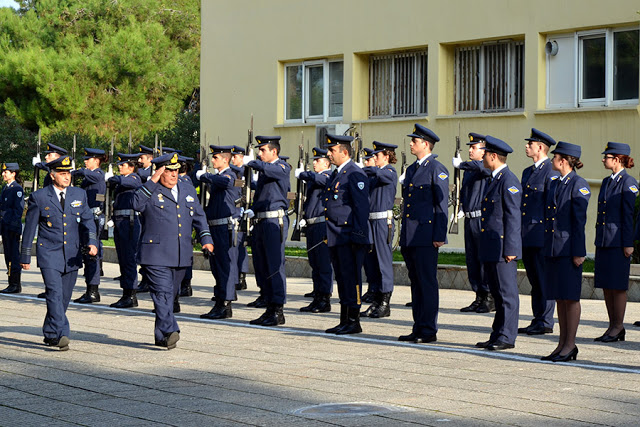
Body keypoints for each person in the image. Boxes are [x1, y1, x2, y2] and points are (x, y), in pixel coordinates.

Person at [132, 152, 213, 349]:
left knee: (169, 296)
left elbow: (199, 217)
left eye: (176, 170)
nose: (174, 175)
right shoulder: (150, 188)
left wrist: (206, 238)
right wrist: (152, 180)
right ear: (160, 171)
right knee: (162, 294)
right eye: (169, 171)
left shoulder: (187, 188)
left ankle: (162, 337)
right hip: (156, 254)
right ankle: (170, 328)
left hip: (180, 254)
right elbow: (136, 204)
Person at [20, 155, 98, 351]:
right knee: (54, 294)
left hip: (71, 255)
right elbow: (29, 229)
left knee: (63, 297)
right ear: (53, 175)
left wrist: (92, 242)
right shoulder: (39, 197)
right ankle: (62, 333)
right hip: (49, 254)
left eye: (68, 174)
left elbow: (88, 221)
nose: (67, 177)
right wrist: (25, 255)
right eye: (62, 174)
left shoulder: (79, 195)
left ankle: (50, 332)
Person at [398, 124, 448, 343]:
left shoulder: (437, 168)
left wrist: (439, 235)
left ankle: (428, 329)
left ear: (425, 144)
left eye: (414, 141)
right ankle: (418, 326)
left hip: (427, 235)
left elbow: (441, 205)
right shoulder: (411, 169)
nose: (410, 143)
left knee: (427, 283)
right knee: (416, 283)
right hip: (411, 235)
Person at [541, 141, 590, 362]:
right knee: (560, 297)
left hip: (569, 249)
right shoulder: (555, 183)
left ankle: (570, 344)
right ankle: (561, 344)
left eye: (554, 157)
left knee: (570, 297)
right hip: (554, 247)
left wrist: (579, 252)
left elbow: (579, 222)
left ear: (562, 160)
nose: (551, 160)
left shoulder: (578, 184)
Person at [475, 135, 522, 351]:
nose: (482, 157)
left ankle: (507, 336)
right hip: (492, 246)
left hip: (503, 248)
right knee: (497, 293)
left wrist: (511, 249)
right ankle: (497, 333)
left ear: (493, 156)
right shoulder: (494, 178)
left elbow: (513, 216)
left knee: (507, 294)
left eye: (484, 154)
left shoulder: (508, 180)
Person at [324, 133, 371, 335]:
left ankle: (354, 320)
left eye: (332, 150)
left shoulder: (355, 173)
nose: (328, 154)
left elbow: (361, 208)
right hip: (336, 235)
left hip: (349, 235)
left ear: (344, 152)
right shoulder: (337, 173)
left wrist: (359, 237)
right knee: (342, 278)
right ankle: (344, 319)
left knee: (352, 279)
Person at [243, 136, 290, 326]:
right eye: (259, 150)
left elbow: (270, 170)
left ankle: (278, 309)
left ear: (274, 151)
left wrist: (252, 162)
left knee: (274, 266)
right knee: (262, 266)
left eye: (263, 150)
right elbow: (265, 195)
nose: (260, 153)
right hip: (262, 220)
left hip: (274, 221)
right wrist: (254, 208)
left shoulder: (282, 167)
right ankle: (269, 306)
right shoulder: (264, 171)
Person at [593, 142, 637, 343]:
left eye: (607, 157)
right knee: (607, 285)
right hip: (604, 239)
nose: (603, 159)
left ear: (617, 159)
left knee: (618, 286)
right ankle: (612, 326)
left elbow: (629, 216)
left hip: (618, 241)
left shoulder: (628, 182)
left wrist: (628, 243)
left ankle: (618, 326)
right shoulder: (607, 181)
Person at [519, 128, 559, 336]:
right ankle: (537, 318)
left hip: (541, 234)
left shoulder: (550, 171)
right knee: (534, 281)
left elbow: (550, 205)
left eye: (530, 144)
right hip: (527, 234)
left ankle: (546, 321)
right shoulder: (528, 172)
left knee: (544, 279)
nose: (526, 146)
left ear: (541, 147)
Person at [198, 145, 242, 319]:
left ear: (225, 159)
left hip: (225, 227)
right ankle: (220, 301)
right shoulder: (217, 177)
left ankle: (225, 303)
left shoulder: (230, 174)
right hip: (214, 226)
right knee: (216, 267)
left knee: (225, 266)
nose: (212, 160)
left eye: (215, 158)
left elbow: (225, 182)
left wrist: (205, 176)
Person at [452, 133, 493, 313]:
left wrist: (460, 165)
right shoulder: (470, 170)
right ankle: (478, 295)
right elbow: (465, 191)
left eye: (474, 147)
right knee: (472, 259)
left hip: (480, 219)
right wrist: (461, 207)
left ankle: (489, 297)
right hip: (469, 218)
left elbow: (481, 168)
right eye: (470, 147)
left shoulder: (484, 165)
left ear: (484, 150)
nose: (470, 150)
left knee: (483, 259)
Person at [361, 141, 398, 319]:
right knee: (372, 262)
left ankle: (385, 302)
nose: (373, 158)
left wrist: (361, 168)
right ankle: (375, 299)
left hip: (383, 222)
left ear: (387, 156)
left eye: (377, 155)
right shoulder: (374, 174)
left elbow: (377, 172)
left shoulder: (389, 172)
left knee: (383, 262)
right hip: (370, 221)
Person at [294, 147, 334, 313]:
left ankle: (325, 299)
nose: (314, 164)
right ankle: (317, 296)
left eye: (317, 161)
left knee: (323, 263)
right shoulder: (316, 178)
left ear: (326, 163)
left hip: (321, 225)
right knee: (315, 263)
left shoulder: (328, 176)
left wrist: (304, 173)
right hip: (311, 225)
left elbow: (318, 179)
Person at [71, 148, 106, 304]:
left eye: (88, 159)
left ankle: (93, 291)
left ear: (96, 161)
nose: (85, 161)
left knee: (92, 254)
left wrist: (75, 170)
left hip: (94, 218)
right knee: (87, 254)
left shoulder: (97, 175)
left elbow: (85, 174)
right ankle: (90, 290)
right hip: (87, 217)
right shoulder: (90, 176)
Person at [108, 154, 143, 308]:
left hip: (130, 224)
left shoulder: (135, 179)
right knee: (122, 259)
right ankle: (126, 293)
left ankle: (130, 294)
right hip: (120, 223)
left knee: (129, 259)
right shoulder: (124, 181)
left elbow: (118, 180)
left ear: (131, 167)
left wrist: (111, 177)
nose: (120, 167)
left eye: (123, 165)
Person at [0, 163, 25, 294]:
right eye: (3, 172)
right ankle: (11, 282)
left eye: (6, 172)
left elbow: (18, 210)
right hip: (5, 227)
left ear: (13, 173)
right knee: (8, 256)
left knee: (13, 256)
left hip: (11, 228)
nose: (4, 174)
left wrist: (13, 227)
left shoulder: (17, 189)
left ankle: (15, 284)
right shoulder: (6, 188)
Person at [230, 145, 249, 291]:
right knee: (236, 246)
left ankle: (241, 276)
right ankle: (237, 277)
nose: (232, 159)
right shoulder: (235, 172)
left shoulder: (245, 171)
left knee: (240, 246)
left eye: (235, 157)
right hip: (236, 211)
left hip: (243, 212)